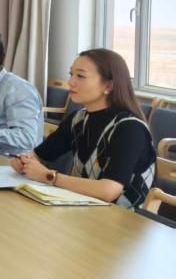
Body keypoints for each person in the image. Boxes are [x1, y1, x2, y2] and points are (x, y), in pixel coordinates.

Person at [12, 49, 155, 209]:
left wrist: (49, 176)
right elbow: (40, 155)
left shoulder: (130, 129)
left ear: (108, 85)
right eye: (71, 74)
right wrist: (25, 162)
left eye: (80, 76)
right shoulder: (78, 119)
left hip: (121, 217)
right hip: (82, 207)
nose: (71, 82)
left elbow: (109, 190)